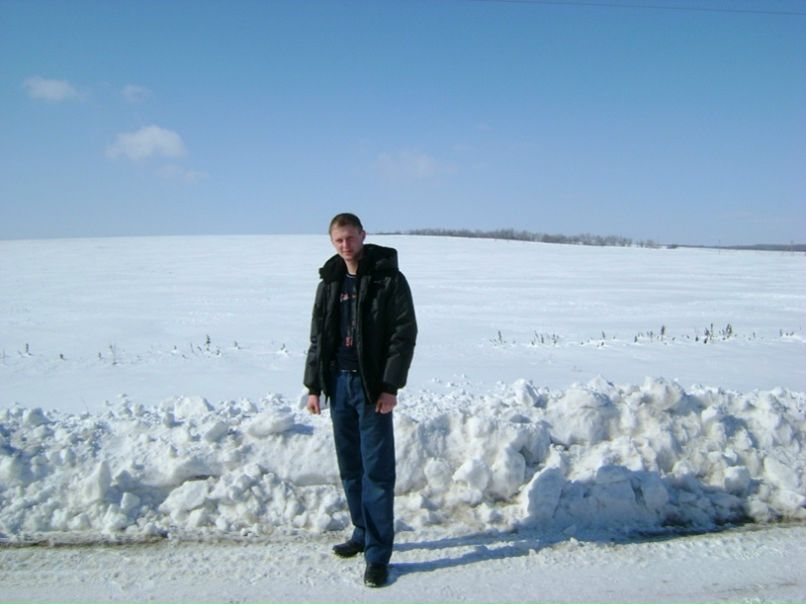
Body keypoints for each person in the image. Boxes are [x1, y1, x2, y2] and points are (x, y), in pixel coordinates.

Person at [304, 212, 417, 588]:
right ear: (332, 241)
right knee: (350, 467)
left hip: (371, 389)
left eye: (350, 238)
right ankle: (362, 531)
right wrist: (314, 386)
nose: (345, 246)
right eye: (338, 240)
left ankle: (378, 555)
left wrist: (389, 386)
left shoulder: (389, 279)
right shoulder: (330, 281)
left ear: (363, 235)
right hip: (339, 385)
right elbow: (319, 337)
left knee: (377, 472)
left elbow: (403, 334)